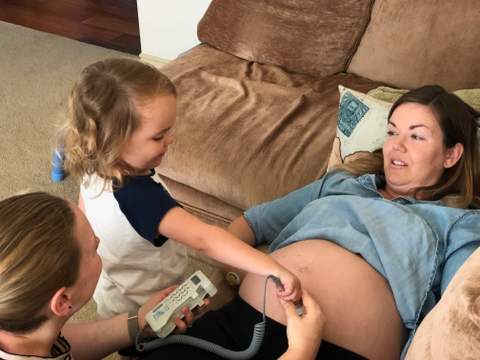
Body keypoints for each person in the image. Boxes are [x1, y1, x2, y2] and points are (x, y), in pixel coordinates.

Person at [140, 85, 480, 359]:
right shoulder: (341, 184)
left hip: (338, 351)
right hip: (242, 323)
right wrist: (238, 274)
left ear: (452, 154)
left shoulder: (458, 224)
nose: (396, 146)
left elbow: (454, 320)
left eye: (417, 136)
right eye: (392, 132)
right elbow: (253, 223)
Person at [60, 58, 301, 319]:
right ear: (112, 140)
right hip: (150, 303)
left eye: (169, 131)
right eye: (158, 136)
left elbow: (84, 224)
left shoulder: (93, 165)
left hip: (113, 293)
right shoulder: (143, 198)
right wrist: (271, 267)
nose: (170, 140)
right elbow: (204, 239)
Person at [0, 192, 321, 359]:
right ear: (63, 301)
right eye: (93, 248)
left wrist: (137, 323)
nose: (99, 241)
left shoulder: (21, 329)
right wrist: (300, 352)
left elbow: (61, 344)